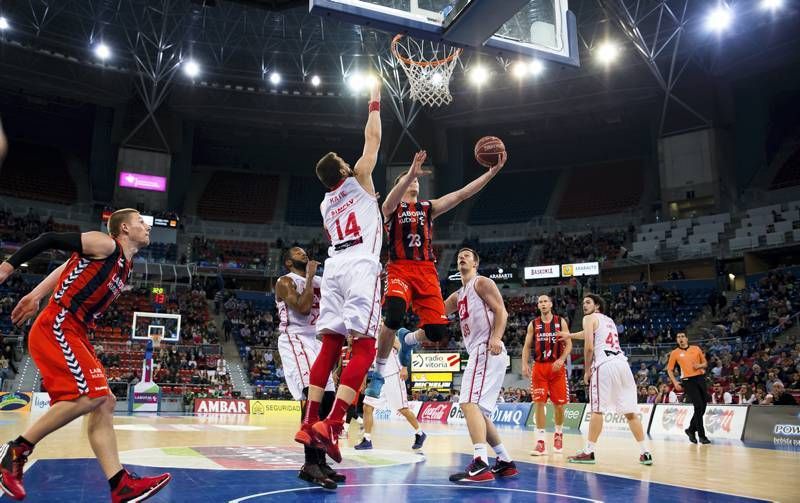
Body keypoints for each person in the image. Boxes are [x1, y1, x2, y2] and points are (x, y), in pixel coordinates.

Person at [0, 209, 171, 501]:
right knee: (89, 396)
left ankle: (120, 484)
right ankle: (15, 452)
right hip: (58, 323)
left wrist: (37, 294)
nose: (147, 227)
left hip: (75, 329)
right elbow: (50, 238)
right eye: (141, 222)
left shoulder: (124, 265)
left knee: (104, 401)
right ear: (125, 228)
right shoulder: (106, 244)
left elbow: (66, 266)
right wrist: (8, 266)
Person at [294, 80, 384, 469]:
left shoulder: (324, 202)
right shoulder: (361, 175)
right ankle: (332, 423)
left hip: (334, 268)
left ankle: (310, 420)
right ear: (345, 169)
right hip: (361, 264)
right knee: (365, 345)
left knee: (330, 345)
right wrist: (375, 101)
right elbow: (373, 137)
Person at [368, 148, 507, 396]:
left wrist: (492, 172)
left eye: (418, 181)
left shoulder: (427, 209)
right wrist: (410, 172)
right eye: (410, 180)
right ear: (401, 184)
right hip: (400, 268)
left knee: (436, 332)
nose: (415, 183)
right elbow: (387, 203)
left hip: (426, 271)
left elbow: (463, 194)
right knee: (394, 314)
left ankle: (407, 341)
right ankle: (378, 373)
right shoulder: (392, 210)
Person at [446, 248, 518, 483]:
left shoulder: (481, 282)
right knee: (480, 413)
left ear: (476, 263)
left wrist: (496, 337)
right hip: (483, 353)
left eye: (467, 255)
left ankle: (480, 463)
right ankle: (505, 461)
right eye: (459, 255)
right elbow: (436, 312)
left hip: (486, 348)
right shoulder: (458, 295)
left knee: (467, 404)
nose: (462, 257)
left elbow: (501, 311)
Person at [275, 246, 343, 489]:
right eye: (297, 252)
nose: (303, 253)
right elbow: (303, 309)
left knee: (328, 399)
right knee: (310, 398)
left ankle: (321, 461)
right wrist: (311, 277)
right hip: (295, 338)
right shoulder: (285, 281)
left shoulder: (321, 280)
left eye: (304, 251)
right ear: (288, 262)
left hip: (316, 340)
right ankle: (309, 464)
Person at [563, 294, 653, 466]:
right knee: (630, 413)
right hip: (623, 365)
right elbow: (588, 333)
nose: (584, 305)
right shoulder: (608, 320)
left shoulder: (589, 318)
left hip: (604, 365)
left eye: (588, 302)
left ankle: (588, 452)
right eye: (583, 303)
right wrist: (570, 335)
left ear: (597, 305)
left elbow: (589, 347)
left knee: (597, 410)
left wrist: (587, 370)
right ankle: (645, 452)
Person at [521, 294, 571, 456]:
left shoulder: (560, 321)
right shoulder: (533, 324)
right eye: (540, 302)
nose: (542, 304)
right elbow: (527, 346)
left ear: (550, 304)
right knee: (539, 404)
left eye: (545, 301)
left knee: (559, 405)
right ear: (538, 306)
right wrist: (524, 363)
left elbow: (569, 344)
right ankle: (541, 442)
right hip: (539, 368)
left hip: (557, 368)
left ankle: (558, 434)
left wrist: (562, 359)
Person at [355, 335, 426, 451]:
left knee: (402, 409)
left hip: (393, 375)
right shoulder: (369, 339)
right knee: (367, 406)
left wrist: (404, 368)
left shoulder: (389, 334)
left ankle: (420, 433)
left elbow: (403, 349)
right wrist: (363, 380)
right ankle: (367, 440)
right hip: (377, 378)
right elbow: (367, 362)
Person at [666, 332, 711, 444]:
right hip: (687, 381)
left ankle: (691, 430)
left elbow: (705, 363)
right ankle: (702, 436)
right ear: (677, 340)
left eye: (682, 337)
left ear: (686, 338)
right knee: (698, 406)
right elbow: (669, 369)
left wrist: (699, 366)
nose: (680, 339)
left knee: (703, 406)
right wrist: (675, 382)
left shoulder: (696, 348)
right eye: (678, 337)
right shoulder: (675, 353)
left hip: (700, 378)